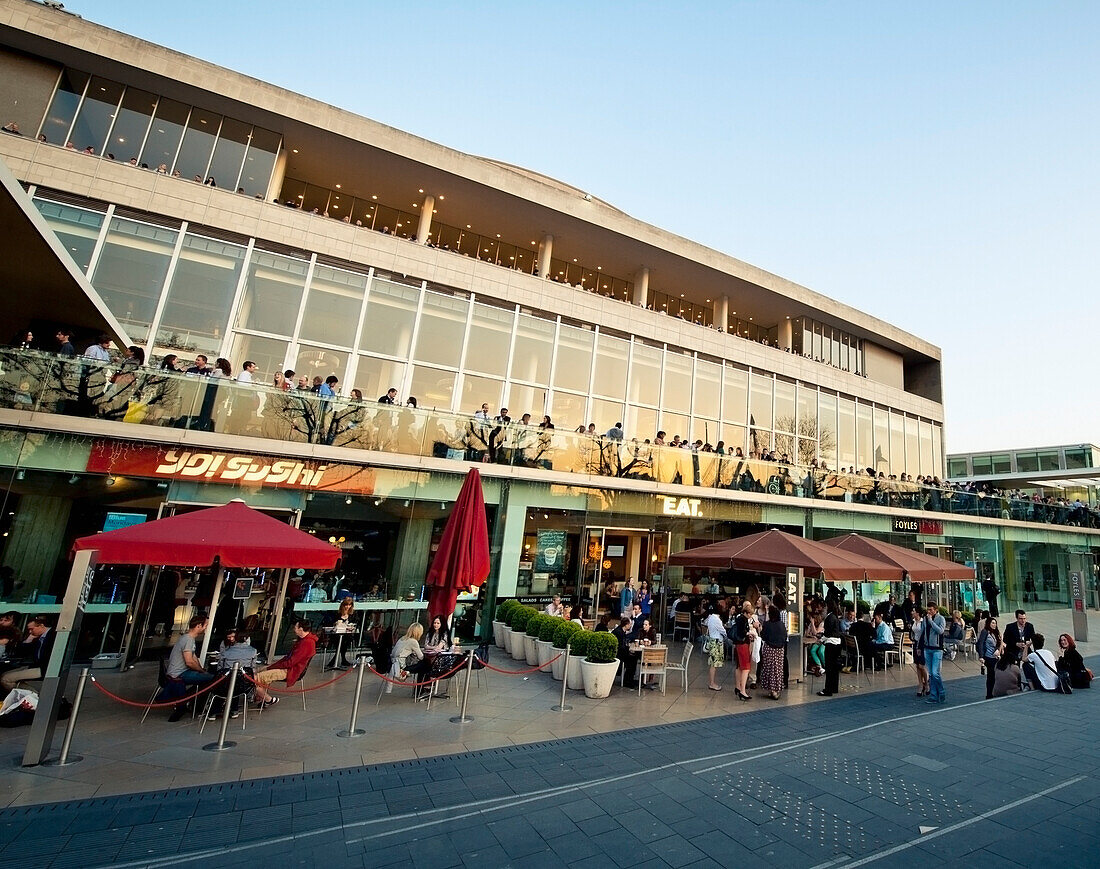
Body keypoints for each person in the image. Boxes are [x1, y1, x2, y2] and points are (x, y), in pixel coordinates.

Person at [253, 619, 316, 707]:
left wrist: (273, 666)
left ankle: (268, 699)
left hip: (291, 670)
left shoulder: (307, 643)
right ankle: (260, 695)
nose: (294, 629)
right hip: (289, 667)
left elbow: (291, 662)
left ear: (301, 629)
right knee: (259, 670)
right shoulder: (304, 641)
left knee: (256, 677)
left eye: (295, 627)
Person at [164, 615, 216, 721]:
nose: (206, 627)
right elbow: (189, 662)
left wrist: (201, 670)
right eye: (205, 625)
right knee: (214, 679)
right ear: (198, 626)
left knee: (206, 678)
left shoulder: (187, 638)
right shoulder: (188, 640)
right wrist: (202, 671)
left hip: (179, 671)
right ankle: (191, 702)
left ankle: (189, 700)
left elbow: (194, 657)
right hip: (179, 674)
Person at [208, 626, 258, 720]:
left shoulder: (226, 652)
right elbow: (252, 669)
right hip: (243, 686)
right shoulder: (253, 651)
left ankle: (214, 711)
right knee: (237, 681)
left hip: (225, 684)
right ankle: (234, 710)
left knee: (226, 681)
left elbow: (220, 669)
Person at [0, 615, 56, 691]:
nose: (30, 632)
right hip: (36, 666)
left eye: (31, 629)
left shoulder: (52, 635)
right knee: (5, 675)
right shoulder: (38, 637)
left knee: (6, 679)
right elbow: (22, 652)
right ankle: (31, 693)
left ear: (41, 626)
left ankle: (33, 696)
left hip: (45, 668)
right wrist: (29, 639)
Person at [386, 623, 427, 695]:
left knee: (422, 665)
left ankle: (418, 688)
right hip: (401, 666)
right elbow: (421, 657)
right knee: (424, 666)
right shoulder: (413, 641)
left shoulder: (402, 638)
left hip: (393, 664)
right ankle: (419, 691)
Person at [758, 605, 786, 700]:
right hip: (779, 650)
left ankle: (771, 690)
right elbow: (784, 637)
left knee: (769, 669)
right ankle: (776, 690)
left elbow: (763, 636)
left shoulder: (767, 624)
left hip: (769, 649)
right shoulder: (781, 624)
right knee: (777, 670)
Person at [921, 602, 947, 704]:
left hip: (937, 648)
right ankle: (933, 695)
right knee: (931, 674)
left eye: (931, 609)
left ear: (935, 610)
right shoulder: (925, 619)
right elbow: (923, 632)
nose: (929, 611)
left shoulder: (941, 619)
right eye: (928, 609)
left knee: (935, 673)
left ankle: (941, 692)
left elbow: (940, 631)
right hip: (927, 648)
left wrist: (931, 621)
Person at [818, 602, 843, 697]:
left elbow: (827, 633)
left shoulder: (829, 618)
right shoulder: (834, 617)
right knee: (834, 668)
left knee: (829, 667)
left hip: (831, 643)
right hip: (837, 643)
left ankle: (828, 690)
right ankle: (834, 687)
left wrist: (821, 639)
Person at [731, 601, 755, 701]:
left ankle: (738, 686)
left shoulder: (738, 618)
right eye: (750, 614)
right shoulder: (743, 620)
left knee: (739, 666)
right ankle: (742, 691)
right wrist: (749, 634)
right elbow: (742, 632)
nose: (751, 616)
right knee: (746, 667)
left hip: (738, 645)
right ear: (747, 613)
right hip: (743, 645)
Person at [977, 616, 1003, 699]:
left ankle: (993, 692)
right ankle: (989, 694)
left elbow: (998, 643)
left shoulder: (995, 633)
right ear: (988, 623)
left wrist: (997, 650)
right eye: (992, 623)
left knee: (995, 675)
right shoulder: (985, 632)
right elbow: (980, 643)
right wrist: (981, 656)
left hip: (995, 656)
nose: (994, 625)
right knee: (991, 675)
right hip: (988, 656)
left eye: (995, 623)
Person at [703, 605, 726, 691]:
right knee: (714, 664)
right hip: (717, 642)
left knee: (713, 663)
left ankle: (712, 682)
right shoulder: (716, 619)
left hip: (712, 640)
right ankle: (712, 683)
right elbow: (722, 630)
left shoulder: (710, 618)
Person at [611, 617, 638, 689]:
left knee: (633, 658)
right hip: (619, 655)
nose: (630, 626)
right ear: (626, 625)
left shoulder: (621, 631)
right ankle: (628, 681)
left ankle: (629, 679)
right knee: (632, 660)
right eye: (629, 624)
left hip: (621, 653)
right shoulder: (619, 632)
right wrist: (628, 651)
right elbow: (621, 647)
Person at [910, 607, 930, 697]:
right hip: (915, 643)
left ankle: (926, 683)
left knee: (922, 665)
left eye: (913, 611)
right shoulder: (913, 622)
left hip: (922, 645)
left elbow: (924, 634)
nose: (912, 612)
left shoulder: (923, 622)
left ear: (918, 613)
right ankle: (920, 684)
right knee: (917, 665)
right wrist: (912, 639)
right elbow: (911, 632)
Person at [804, 608, 825, 677]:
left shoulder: (822, 624)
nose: (812, 620)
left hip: (822, 641)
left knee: (820, 651)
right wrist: (810, 626)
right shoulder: (811, 624)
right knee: (813, 650)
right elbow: (806, 634)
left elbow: (816, 632)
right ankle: (820, 666)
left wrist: (812, 624)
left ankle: (826, 666)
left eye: (813, 619)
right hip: (815, 641)